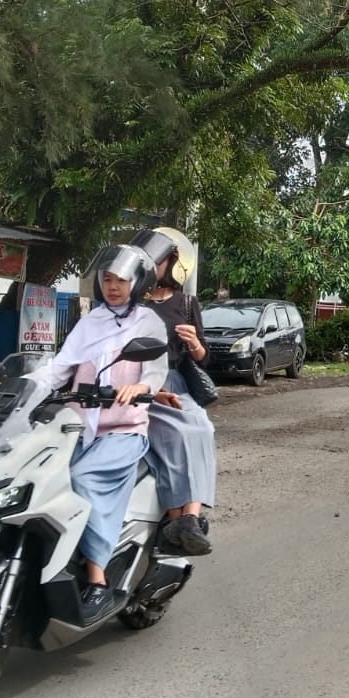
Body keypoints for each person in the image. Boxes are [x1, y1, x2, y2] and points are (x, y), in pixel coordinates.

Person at [0, 244, 182, 620]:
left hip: (124, 429)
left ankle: (96, 581)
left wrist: (139, 389)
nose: (112, 287)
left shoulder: (148, 323)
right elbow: (58, 369)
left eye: (121, 280)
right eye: (107, 279)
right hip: (77, 426)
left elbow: (156, 371)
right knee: (32, 475)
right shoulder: (90, 322)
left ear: (136, 283)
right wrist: (12, 384)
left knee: (83, 481)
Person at [130, 227, 217, 555]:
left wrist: (194, 343)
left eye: (161, 259)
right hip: (140, 381)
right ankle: (179, 521)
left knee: (201, 428)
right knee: (176, 437)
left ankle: (188, 520)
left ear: (172, 263)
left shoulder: (186, 302)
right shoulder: (129, 300)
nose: (154, 264)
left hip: (176, 383)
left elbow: (204, 358)